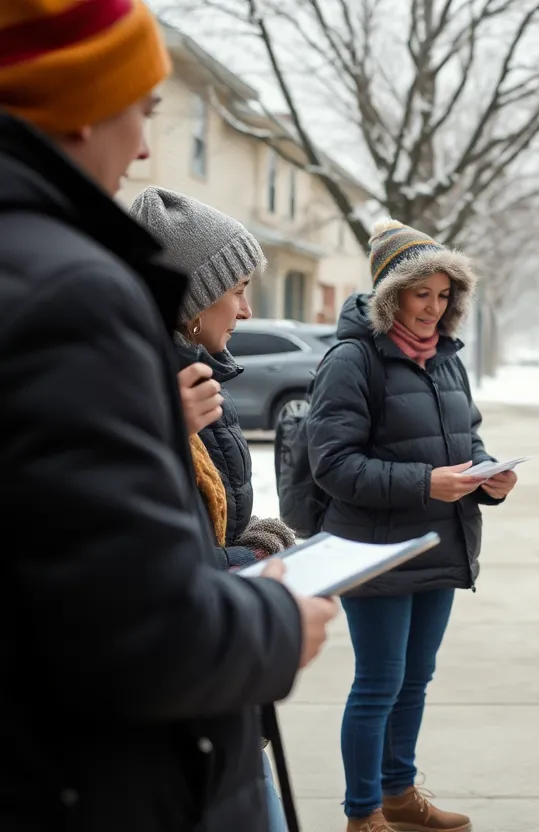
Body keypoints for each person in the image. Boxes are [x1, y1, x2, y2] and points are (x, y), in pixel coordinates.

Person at [0, 3, 336, 830]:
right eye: (142, 111)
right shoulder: (69, 293)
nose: (146, 147)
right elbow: (138, 626)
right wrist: (276, 619)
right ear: (78, 107)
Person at [306, 220, 517, 832]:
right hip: (374, 548)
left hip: (439, 540)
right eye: (420, 292)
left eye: (444, 293)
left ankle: (399, 793)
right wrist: (426, 482)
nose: (433, 306)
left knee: (415, 679)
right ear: (391, 295)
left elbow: (466, 436)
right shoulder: (352, 360)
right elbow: (334, 466)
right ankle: (362, 811)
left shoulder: (447, 360)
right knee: (378, 683)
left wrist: (487, 473)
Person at [130, 186, 299, 832]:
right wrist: (247, 559)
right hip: (183, 679)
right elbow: (138, 543)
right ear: (195, 300)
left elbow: (207, 515)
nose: (248, 309)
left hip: (220, 668)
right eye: (238, 289)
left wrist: (250, 537)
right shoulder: (146, 385)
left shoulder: (202, 375)